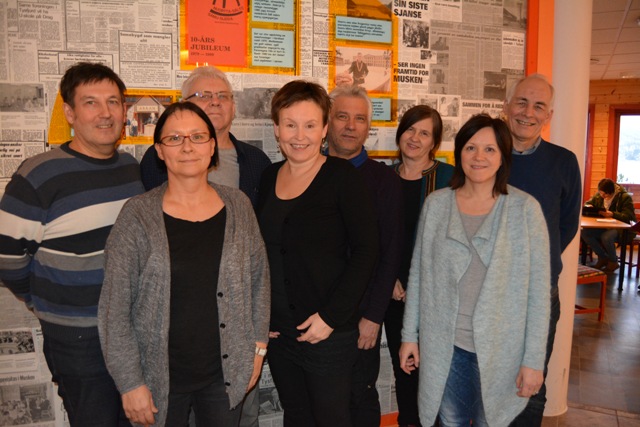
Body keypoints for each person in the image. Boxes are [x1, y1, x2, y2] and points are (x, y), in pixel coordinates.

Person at [98, 102, 270, 426]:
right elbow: (114, 309)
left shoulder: (239, 205)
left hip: (224, 376)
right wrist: (130, 383)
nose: (188, 147)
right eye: (174, 138)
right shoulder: (137, 215)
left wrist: (258, 349)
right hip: (157, 378)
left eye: (197, 136)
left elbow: (259, 281)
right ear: (160, 151)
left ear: (212, 146)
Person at [0, 62, 144, 426]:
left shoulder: (130, 169)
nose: (105, 113)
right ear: (70, 113)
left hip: (130, 332)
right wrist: (40, 298)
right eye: (91, 102)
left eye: (113, 101)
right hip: (78, 337)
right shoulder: (39, 174)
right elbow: (7, 257)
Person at [399, 114, 551, 427]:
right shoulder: (436, 205)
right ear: (459, 154)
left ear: (503, 156)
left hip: (502, 353)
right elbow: (419, 277)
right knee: (450, 421)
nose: (479, 157)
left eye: (489, 149)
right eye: (470, 148)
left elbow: (539, 295)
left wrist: (534, 361)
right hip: (445, 348)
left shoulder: (525, 210)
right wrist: (409, 336)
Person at [257, 80, 379, 427]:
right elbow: (263, 254)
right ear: (277, 129)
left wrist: (330, 318)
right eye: (290, 125)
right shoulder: (268, 177)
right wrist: (264, 316)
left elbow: (367, 251)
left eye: (310, 125)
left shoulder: (341, 177)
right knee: (296, 417)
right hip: (281, 334)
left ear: (324, 129)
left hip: (328, 333)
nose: (300, 136)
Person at [503, 74, 582, 427]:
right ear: (506, 107)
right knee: (486, 377)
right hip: (487, 291)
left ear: (548, 116)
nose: (528, 113)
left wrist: (536, 262)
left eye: (538, 106)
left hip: (538, 293)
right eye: (521, 102)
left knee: (531, 381)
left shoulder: (564, 162)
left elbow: (565, 226)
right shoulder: (485, 155)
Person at [326, 85, 403, 426]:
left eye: (359, 119)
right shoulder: (306, 172)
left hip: (361, 316)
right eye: (342, 116)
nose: (350, 126)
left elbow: (390, 253)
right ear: (327, 121)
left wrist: (373, 316)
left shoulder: (384, 180)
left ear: (368, 127)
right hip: (315, 310)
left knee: (360, 398)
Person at [385, 105, 454, 427]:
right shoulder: (384, 178)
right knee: (405, 373)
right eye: (410, 129)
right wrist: (389, 280)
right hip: (393, 295)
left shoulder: (450, 178)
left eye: (424, 133)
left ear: (434, 142)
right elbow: (374, 236)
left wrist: (422, 284)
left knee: (436, 376)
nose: (415, 138)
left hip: (435, 299)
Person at [140, 66, 271, 209]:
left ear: (233, 107)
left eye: (223, 96)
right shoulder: (158, 157)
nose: (215, 102)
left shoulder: (258, 161)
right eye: (204, 96)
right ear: (185, 105)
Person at [581, 178, 636, 271]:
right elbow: (588, 203)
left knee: (606, 237)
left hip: (621, 229)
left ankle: (613, 262)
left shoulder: (624, 197)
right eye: (601, 193)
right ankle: (603, 257)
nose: (603, 196)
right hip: (603, 226)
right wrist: (588, 206)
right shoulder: (600, 195)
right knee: (585, 232)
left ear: (612, 191)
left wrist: (613, 214)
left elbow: (629, 217)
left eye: (605, 194)